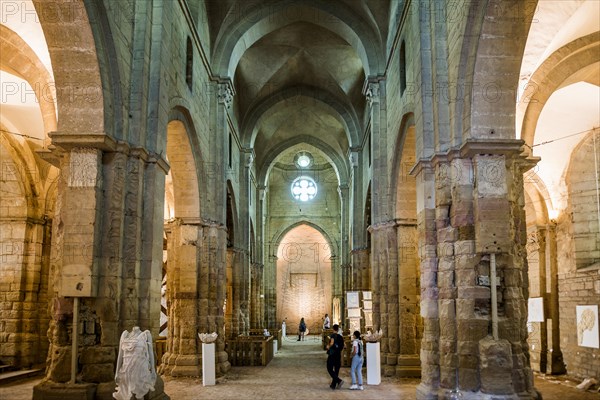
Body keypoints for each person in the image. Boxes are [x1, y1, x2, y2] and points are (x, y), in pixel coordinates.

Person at [113, 326, 156, 400]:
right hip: (126, 370)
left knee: (140, 395)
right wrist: (116, 372)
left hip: (140, 369)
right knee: (127, 395)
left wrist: (153, 370)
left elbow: (151, 353)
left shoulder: (146, 334)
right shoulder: (125, 335)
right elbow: (120, 355)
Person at [325, 323, 345, 390]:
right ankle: (333, 385)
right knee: (336, 370)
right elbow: (344, 345)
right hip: (338, 354)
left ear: (333, 329)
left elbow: (332, 343)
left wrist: (328, 347)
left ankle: (339, 380)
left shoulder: (333, 335)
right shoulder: (341, 337)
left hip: (332, 354)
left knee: (329, 368)